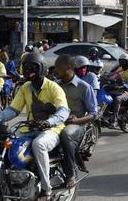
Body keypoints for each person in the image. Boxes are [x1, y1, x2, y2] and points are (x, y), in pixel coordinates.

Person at [0, 53, 69, 200]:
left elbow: (64, 111)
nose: (28, 70)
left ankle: (46, 188)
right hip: (29, 129)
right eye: (26, 67)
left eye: (32, 67)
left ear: (41, 69)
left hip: (52, 130)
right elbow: (13, 110)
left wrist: (49, 122)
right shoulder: (25, 88)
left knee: (39, 144)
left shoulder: (53, 87)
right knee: (6, 145)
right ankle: (11, 184)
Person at [54, 54, 98, 188]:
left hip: (77, 125)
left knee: (65, 134)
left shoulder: (84, 87)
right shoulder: (56, 86)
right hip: (57, 121)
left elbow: (93, 114)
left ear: (68, 68)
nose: (55, 71)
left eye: (58, 69)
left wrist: (77, 120)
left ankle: (70, 173)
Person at [111, 53, 128, 127]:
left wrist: (119, 87)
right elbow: (113, 75)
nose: (122, 63)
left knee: (118, 99)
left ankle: (115, 120)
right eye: (121, 61)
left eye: (123, 62)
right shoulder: (121, 69)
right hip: (119, 88)